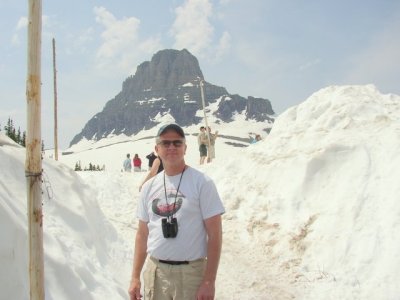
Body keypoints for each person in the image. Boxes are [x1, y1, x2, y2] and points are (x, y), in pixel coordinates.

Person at [128, 123, 225, 300]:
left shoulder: (202, 183)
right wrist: (135, 277)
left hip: (191, 276)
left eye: (177, 143)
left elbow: (215, 233)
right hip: (156, 274)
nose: (171, 147)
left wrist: (209, 282)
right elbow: (142, 235)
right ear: (157, 149)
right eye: (165, 143)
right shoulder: (148, 187)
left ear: (185, 148)